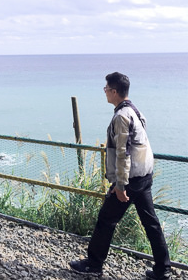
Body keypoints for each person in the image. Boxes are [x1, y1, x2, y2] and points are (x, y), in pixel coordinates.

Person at [69, 72, 171, 279]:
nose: (104, 92)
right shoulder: (134, 110)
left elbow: (123, 153)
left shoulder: (121, 116)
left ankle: (94, 264)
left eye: (106, 88)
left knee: (106, 219)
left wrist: (121, 186)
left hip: (131, 179)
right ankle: (163, 269)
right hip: (144, 175)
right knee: (151, 223)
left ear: (114, 91)